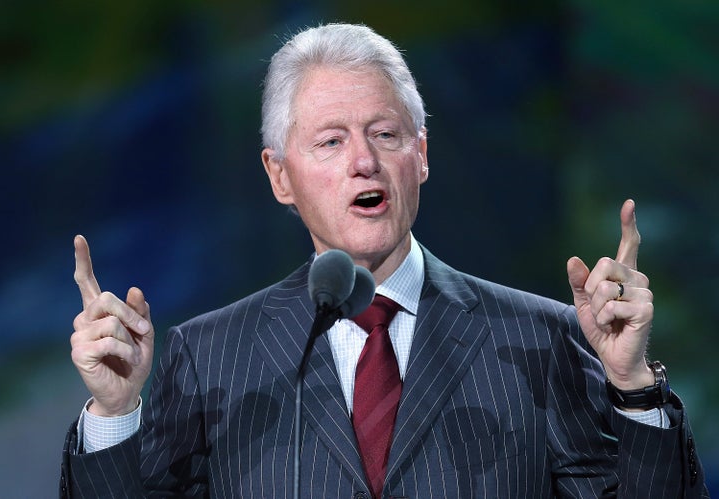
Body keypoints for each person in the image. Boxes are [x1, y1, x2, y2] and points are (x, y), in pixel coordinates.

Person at [60, 23, 708, 498]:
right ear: (279, 176)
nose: (363, 160)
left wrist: (632, 387)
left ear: (420, 156)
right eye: (331, 140)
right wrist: (115, 413)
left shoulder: (541, 339)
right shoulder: (211, 356)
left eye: (386, 134)